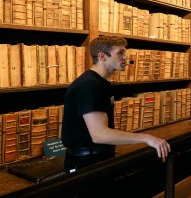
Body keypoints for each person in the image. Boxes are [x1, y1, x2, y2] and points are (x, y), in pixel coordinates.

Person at [62, 35, 170, 174]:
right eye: (120, 53)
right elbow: (99, 134)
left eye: (124, 52)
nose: (125, 58)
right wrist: (146, 138)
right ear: (102, 56)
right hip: (87, 166)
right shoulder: (90, 85)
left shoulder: (99, 83)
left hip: (97, 159)